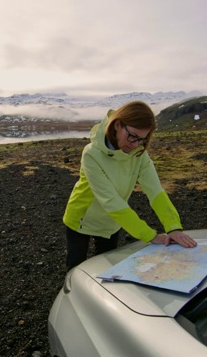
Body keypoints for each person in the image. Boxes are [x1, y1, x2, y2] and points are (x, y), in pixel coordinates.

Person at [63, 100, 197, 271]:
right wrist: (149, 235)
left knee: (105, 270)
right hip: (81, 218)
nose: (135, 144)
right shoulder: (92, 154)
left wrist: (173, 227)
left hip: (112, 221)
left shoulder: (139, 154)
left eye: (142, 139)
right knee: (76, 270)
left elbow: (155, 191)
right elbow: (110, 200)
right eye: (132, 136)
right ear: (118, 125)